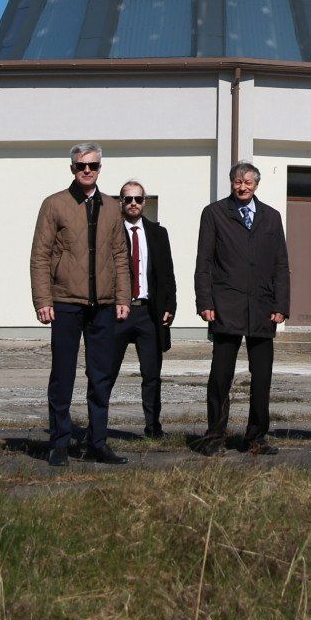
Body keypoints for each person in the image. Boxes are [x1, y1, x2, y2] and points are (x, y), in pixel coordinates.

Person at [30, 142, 132, 467]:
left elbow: (120, 255)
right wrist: (43, 299)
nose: (87, 170)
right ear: (72, 168)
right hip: (65, 303)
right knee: (63, 375)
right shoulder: (55, 204)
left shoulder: (113, 207)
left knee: (100, 376)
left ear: (100, 167)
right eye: (80, 165)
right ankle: (59, 443)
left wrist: (123, 297)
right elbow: (40, 255)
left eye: (92, 165)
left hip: (103, 305)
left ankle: (97, 442)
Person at [193, 161, 290, 456]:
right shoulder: (214, 213)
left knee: (261, 377)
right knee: (220, 376)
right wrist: (205, 301)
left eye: (248, 182)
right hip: (226, 306)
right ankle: (214, 436)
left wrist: (281, 304)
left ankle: (256, 437)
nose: (243, 187)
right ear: (231, 182)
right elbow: (204, 262)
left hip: (262, 307)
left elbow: (281, 264)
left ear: (256, 185)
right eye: (238, 181)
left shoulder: (271, 217)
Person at [110, 180, 176, 439]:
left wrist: (170, 305)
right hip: (118, 313)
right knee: (106, 372)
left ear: (145, 202)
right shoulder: (111, 232)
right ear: (121, 202)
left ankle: (153, 427)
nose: (133, 204)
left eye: (138, 199)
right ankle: (97, 428)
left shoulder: (158, 233)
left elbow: (167, 274)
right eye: (128, 199)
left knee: (151, 374)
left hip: (149, 313)